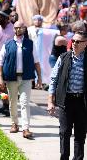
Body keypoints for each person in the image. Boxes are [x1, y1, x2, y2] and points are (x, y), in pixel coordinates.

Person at [0, 21, 42, 139]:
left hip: (26, 78)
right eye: (16, 28)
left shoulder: (30, 44)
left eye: (20, 28)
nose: (18, 30)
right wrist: (0, 78)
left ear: (24, 29)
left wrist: (39, 78)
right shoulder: (8, 44)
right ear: (13, 29)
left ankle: (26, 128)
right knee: (12, 102)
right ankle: (14, 123)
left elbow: (36, 61)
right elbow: (0, 62)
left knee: (25, 102)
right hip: (11, 78)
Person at [47, 31, 87, 160]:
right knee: (64, 132)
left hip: (82, 102)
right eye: (73, 41)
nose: (74, 43)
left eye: (78, 41)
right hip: (66, 101)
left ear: (85, 44)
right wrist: (50, 101)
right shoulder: (63, 57)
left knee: (80, 135)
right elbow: (53, 80)